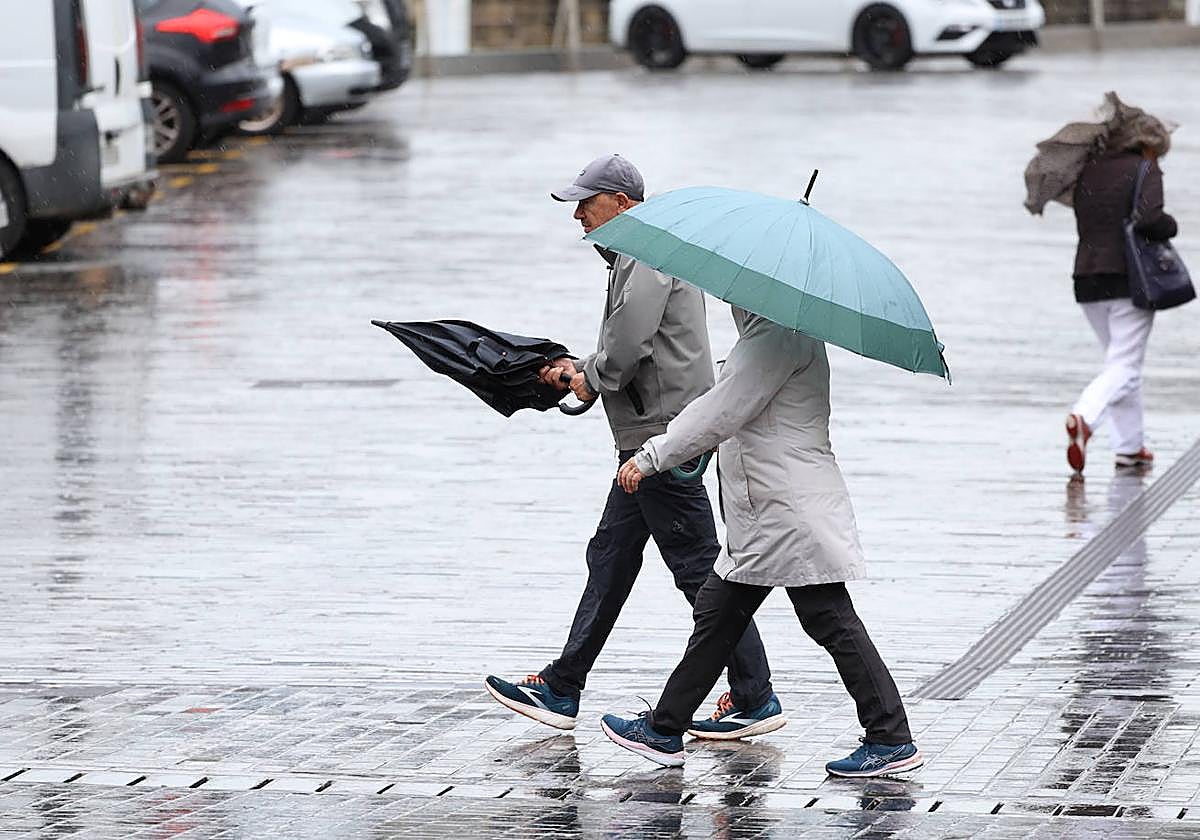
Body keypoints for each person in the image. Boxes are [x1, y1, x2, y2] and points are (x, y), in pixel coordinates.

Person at [484, 155, 785, 741]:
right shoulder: (642, 250)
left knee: (697, 568)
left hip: (662, 439)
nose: (577, 213)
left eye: (585, 201)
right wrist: (592, 375)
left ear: (622, 203)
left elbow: (625, 348)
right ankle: (564, 684)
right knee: (613, 555)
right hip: (650, 435)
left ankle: (754, 694)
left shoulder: (646, 251)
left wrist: (583, 376)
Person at [599, 307, 923, 777]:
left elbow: (721, 410)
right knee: (721, 614)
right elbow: (736, 411)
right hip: (772, 512)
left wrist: (653, 455)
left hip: (784, 512)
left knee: (827, 619)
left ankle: (891, 736)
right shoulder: (779, 332)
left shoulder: (774, 336)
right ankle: (665, 729)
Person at [1065, 123, 1177, 474]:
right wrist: (1170, 226)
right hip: (1129, 278)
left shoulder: (1088, 168)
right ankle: (1084, 417)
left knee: (1119, 363)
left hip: (1086, 278)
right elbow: (1150, 218)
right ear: (1147, 144)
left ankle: (1129, 448)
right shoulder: (1145, 168)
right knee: (1125, 366)